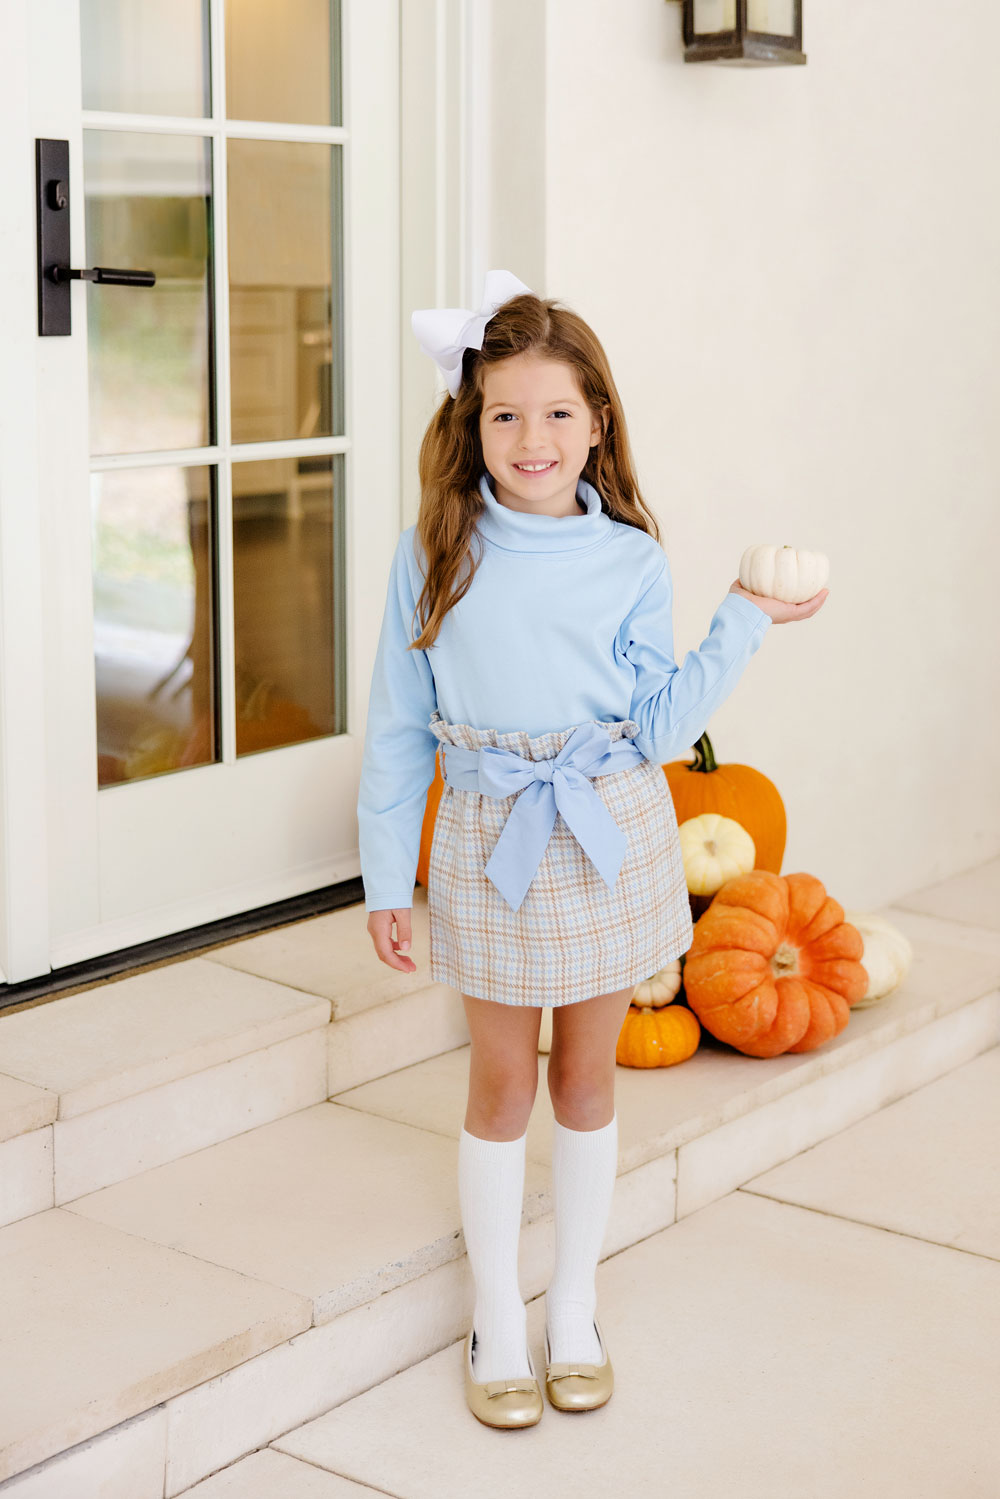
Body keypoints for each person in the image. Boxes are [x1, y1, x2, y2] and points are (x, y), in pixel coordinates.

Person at [356, 269, 828, 1430]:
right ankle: (494, 1313)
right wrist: (385, 874)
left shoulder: (628, 558)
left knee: (583, 1075)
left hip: (608, 832)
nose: (533, 437)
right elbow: (398, 725)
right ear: (472, 423)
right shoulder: (436, 550)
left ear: (598, 423)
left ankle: (573, 1302)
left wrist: (742, 617)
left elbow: (659, 727)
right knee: (501, 1080)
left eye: (558, 412)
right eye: (505, 413)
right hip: (489, 836)